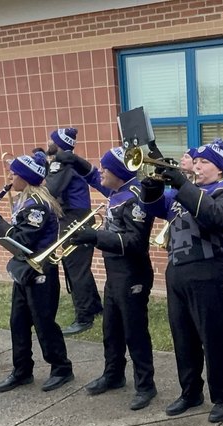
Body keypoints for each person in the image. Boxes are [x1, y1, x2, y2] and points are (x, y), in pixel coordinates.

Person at [138, 139, 223, 423]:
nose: (197, 166)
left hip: (214, 273)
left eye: (205, 162)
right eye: (195, 161)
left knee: (215, 338)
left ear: (219, 168)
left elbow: (217, 217)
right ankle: (190, 391)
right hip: (179, 273)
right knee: (183, 337)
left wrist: (183, 185)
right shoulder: (185, 193)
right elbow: (154, 208)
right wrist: (151, 189)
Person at [67, 146, 158, 410]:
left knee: (135, 331)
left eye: (106, 167)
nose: (102, 170)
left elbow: (136, 241)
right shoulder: (117, 190)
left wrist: (95, 236)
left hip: (132, 272)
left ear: (118, 172)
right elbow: (93, 177)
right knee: (111, 329)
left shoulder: (135, 197)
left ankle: (145, 385)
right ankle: (114, 374)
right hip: (114, 272)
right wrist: (73, 159)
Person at [0, 151, 74, 393]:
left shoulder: (38, 206)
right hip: (24, 269)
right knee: (18, 322)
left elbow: (22, 239)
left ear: (25, 176)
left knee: (43, 322)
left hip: (41, 270)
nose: (10, 175)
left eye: (14, 172)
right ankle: (22, 370)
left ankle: (61, 368)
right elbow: (9, 238)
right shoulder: (22, 200)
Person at [45, 127, 104, 335]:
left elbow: (51, 190)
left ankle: (84, 317)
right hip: (76, 215)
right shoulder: (67, 161)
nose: (47, 143)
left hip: (74, 217)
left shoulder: (63, 163)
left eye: (50, 140)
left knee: (75, 267)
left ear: (58, 144)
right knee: (81, 266)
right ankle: (95, 306)